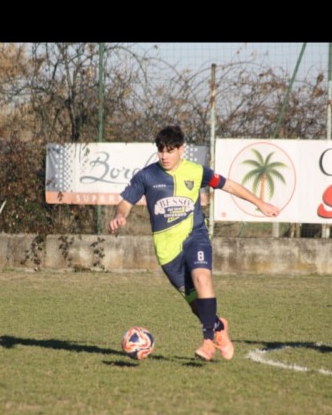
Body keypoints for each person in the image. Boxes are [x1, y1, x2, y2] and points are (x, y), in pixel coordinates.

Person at [109, 122, 281, 362]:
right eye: (161, 150)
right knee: (195, 304)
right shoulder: (146, 176)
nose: (165, 156)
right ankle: (219, 327)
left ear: (182, 149)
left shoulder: (196, 171)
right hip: (167, 251)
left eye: (170, 150)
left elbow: (228, 184)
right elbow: (125, 202)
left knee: (203, 278)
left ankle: (208, 342)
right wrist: (119, 216)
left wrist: (259, 203)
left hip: (195, 237)